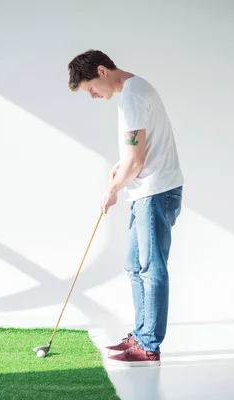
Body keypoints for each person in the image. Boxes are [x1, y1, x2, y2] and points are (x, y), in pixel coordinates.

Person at [67, 49, 184, 367]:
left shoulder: (131, 98)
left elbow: (137, 159)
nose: (92, 95)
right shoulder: (137, 89)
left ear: (102, 71)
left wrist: (112, 189)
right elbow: (140, 150)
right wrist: (123, 167)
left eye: (90, 88)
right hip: (150, 189)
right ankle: (141, 333)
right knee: (135, 265)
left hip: (154, 192)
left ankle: (148, 344)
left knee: (150, 268)